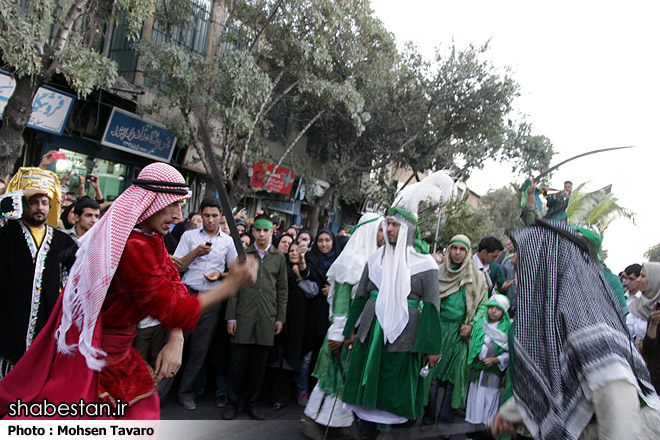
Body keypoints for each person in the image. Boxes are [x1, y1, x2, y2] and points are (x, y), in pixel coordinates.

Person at [0, 163, 258, 419]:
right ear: (151, 203)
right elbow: (171, 308)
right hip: (98, 358)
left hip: (118, 353)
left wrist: (177, 338)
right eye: (174, 204)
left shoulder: (148, 238)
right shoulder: (133, 246)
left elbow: (173, 283)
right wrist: (231, 284)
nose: (180, 215)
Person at [491, 219, 660, 440]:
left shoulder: (593, 329)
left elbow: (618, 407)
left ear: (548, 269)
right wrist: (513, 412)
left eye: (524, 259)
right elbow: (559, 381)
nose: (516, 265)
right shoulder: (562, 322)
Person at [340, 208, 442, 438]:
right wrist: (349, 331)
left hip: (404, 336)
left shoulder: (426, 265)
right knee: (365, 403)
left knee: (394, 392)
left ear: (409, 229)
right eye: (388, 224)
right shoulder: (375, 259)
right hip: (371, 332)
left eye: (395, 225)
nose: (389, 229)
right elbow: (361, 297)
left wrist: (432, 347)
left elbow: (432, 308)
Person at [301, 213, 384, 439]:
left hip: (358, 332)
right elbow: (339, 304)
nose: (383, 234)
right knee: (331, 376)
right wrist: (340, 334)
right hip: (344, 332)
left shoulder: (370, 259)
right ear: (369, 231)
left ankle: (340, 421)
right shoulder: (351, 263)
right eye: (380, 229)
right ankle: (310, 419)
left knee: (344, 378)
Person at [0, 167, 77, 379]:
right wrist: (21, 192)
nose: (39, 208)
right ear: (23, 204)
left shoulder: (63, 242)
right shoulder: (7, 233)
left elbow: (74, 281)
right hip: (9, 321)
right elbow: (2, 209)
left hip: (44, 326)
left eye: (44, 202)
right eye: (33, 202)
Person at [172, 197, 238, 411]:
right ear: (200, 215)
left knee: (199, 351)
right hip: (187, 294)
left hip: (211, 300)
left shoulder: (227, 241)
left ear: (220, 217)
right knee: (174, 345)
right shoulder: (189, 236)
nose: (210, 220)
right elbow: (177, 267)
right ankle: (161, 392)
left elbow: (235, 272)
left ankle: (185, 392)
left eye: (214, 216)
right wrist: (196, 253)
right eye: (206, 216)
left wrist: (220, 275)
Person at [224, 214, 288, 421]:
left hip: (266, 319)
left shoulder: (279, 258)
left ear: (273, 232)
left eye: (266, 230)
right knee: (236, 366)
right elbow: (233, 288)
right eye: (258, 230)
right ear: (253, 232)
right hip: (243, 318)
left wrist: (280, 318)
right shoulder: (243, 256)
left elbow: (282, 290)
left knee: (259, 368)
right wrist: (231, 318)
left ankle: (251, 404)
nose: (261, 234)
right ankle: (231, 404)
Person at [424, 234, 488, 431]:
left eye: (462, 249)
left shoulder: (476, 277)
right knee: (432, 377)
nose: (458, 253)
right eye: (454, 248)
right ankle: (427, 418)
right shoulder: (437, 273)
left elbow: (483, 306)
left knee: (454, 379)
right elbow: (428, 301)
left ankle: (445, 423)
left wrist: (472, 324)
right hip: (439, 329)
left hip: (460, 334)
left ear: (468, 252)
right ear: (449, 250)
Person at [299, 228, 339, 406]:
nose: (324, 244)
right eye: (321, 240)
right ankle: (303, 390)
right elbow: (305, 274)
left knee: (326, 353)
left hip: (331, 315)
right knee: (308, 354)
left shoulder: (340, 261)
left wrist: (334, 291)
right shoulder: (311, 258)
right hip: (311, 312)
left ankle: (321, 392)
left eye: (327, 240)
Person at [465, 294, 512, 427]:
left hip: (492, 371)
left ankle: (486, 429)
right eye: (491, 307)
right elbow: (474, 343)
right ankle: (472, 429)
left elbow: (510, 352)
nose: (493, 311)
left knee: (489, 399)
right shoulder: (481, 324)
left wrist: (496, 359)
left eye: (498, 309)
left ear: (503, 311)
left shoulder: (507, 328)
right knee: (474, 399)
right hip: (478, 369)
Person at [623, 263, 646, 343]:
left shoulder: (643, 302)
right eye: (625, 278)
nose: (626, 282)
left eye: (631, 279)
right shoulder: (621, 297)